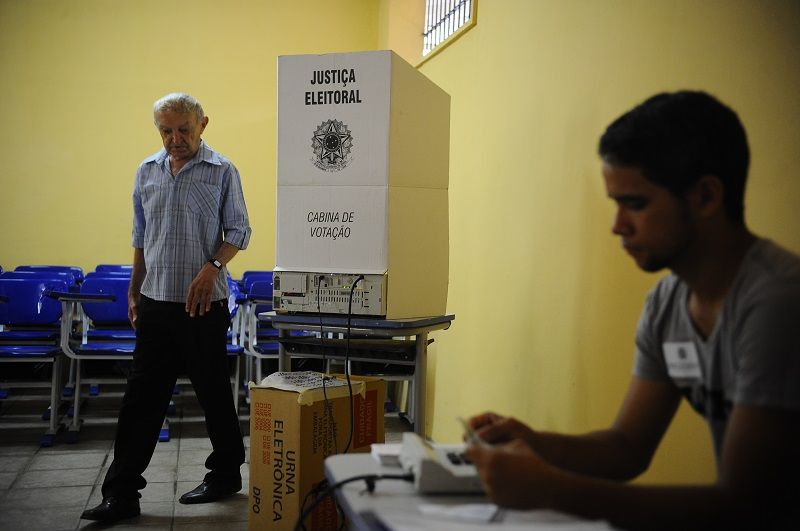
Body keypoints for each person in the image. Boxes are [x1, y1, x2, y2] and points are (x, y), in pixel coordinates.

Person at [465, 91, 800, 530]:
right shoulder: (667, 304)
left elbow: (745, 505)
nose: (617, 226)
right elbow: (627, 448)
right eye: (615, 204)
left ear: (705, 197)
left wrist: (550, 487)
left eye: (635, 204)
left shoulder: (778, 302)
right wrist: (534, 443)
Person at [81, 92, 252, 523]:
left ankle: (226, 474)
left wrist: (213, 267)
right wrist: (134, 290)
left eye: (183, 130)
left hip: (202, 306)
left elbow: (240, 230)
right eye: (166, 130)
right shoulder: (147, 171)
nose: (175, 139)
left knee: (213, 394)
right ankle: (121, 494)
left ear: (203, 125)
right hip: (156, 302)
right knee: (141, 400)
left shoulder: (222, 171)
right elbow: (141, 237)